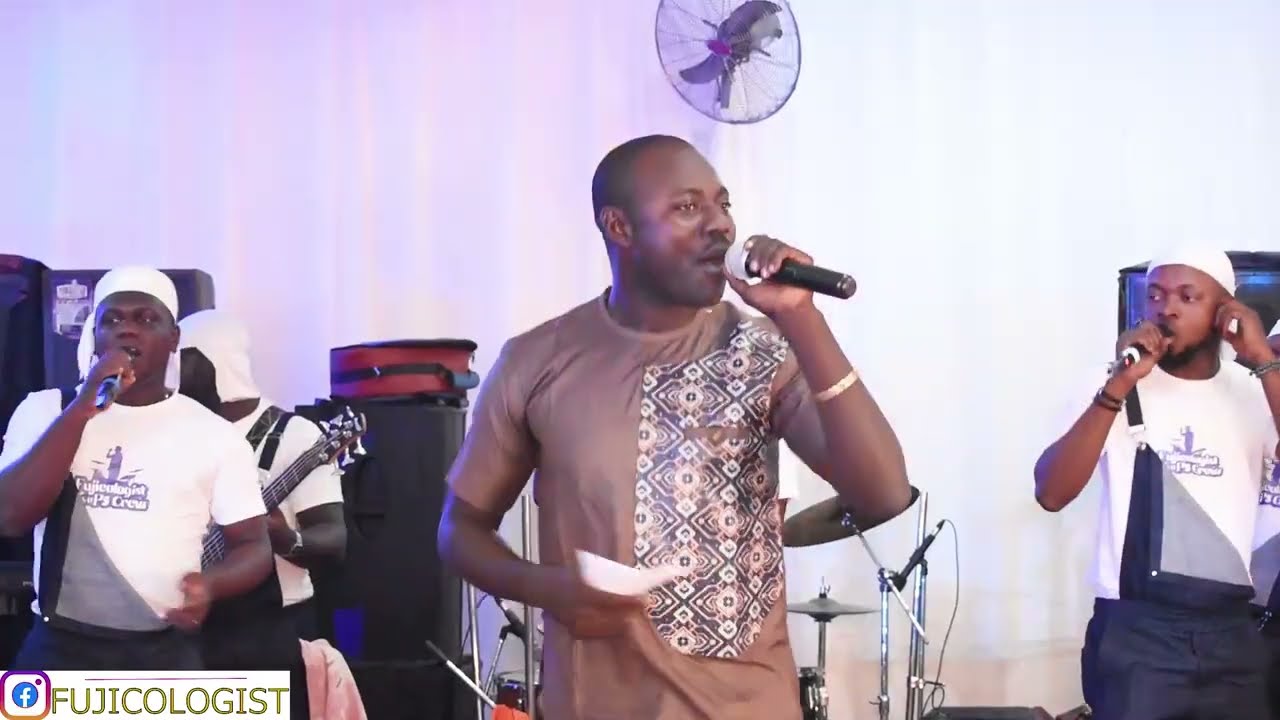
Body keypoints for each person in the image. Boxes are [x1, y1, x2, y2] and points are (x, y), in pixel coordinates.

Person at [438, 134, 912, 720]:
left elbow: (883, 493)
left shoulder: (762, 351)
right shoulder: (536, 361)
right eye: (688, 207)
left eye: (723, 204)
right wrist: (548, 588)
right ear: (620, 227)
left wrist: (801, 317)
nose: (721, 225)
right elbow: (459, 531)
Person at [1033, 248, 1280, 719]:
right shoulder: (1111, 383)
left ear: (1225, 312)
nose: (1167, 308)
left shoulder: (1253, 391)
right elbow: (1051, 493)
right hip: (1137, 633)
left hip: (1231, 630)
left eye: (1188, 297)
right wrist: (1118, 386)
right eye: (1155, 295)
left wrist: (1263, 360)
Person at [0, 267, 272, 670]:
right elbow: (10, 517)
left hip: (163, 652)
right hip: (58, 649)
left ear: (174, 338)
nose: (126, 329)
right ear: (95, 336)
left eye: (146, 319)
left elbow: (254, 545)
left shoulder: (213, 434)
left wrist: (211, 584)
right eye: (111, 320)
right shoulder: (46, 410)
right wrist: (83, 407)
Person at [177, 308, 346, 717]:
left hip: (267, 635)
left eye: (183, 360)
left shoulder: (294, 434)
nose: (173, 374)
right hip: (192, 630)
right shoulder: (178, 430)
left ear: (216, 362)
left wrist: (284, 537)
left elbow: (334, 539)